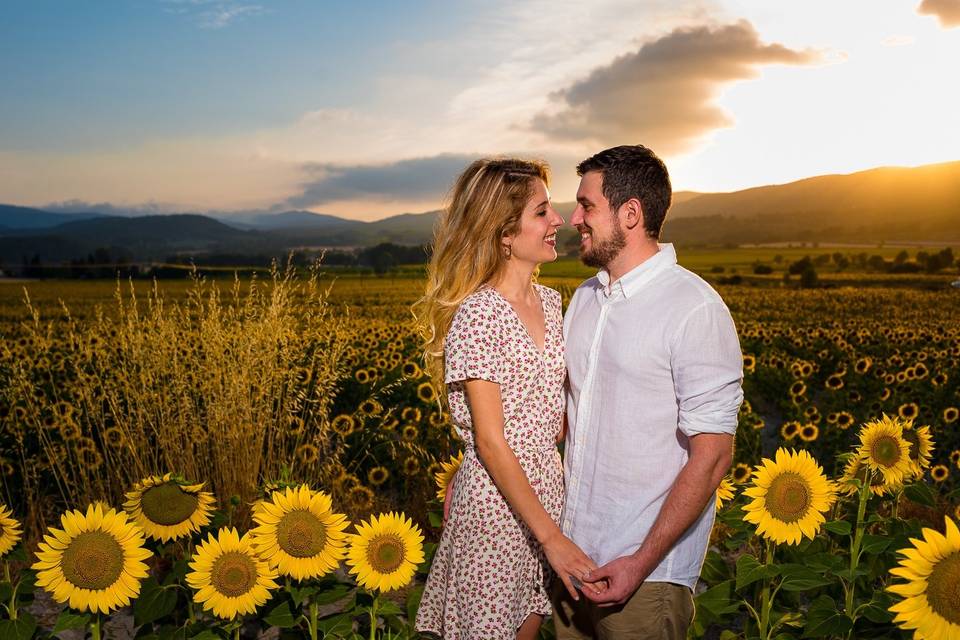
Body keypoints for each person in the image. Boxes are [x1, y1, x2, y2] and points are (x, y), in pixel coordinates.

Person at [553, 145, 743, 639]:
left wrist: (640, 561)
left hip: (646, 579)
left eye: (586, 205)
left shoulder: (693, 308)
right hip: (572, 565)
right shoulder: (585, 300)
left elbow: (713, 456)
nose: (574, 218)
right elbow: (566, 423)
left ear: (630, 213)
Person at [415, 158, 601, 640]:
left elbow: (552, 421)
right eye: (542, 211)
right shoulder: (478, 315)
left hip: (545, 495)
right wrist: (553, 539)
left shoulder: (554, 304)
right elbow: (493, 442)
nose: (558, 220)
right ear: (504, 233)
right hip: (497, 511)